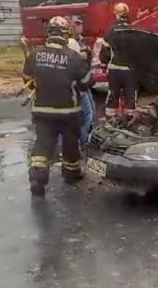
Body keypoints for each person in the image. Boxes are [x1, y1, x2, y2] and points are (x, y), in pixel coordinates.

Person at [24, 16, 94, 198]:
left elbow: (27, 79)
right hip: (68, 112)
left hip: (42, 110)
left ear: (49, 33)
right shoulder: (74, 57)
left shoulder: (35, 54)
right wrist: (85, 65)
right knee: (70, 144)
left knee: (42, 143)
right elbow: (86, 83)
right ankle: (71, 173)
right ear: (65, 34)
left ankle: (37, 177)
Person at [97, 2, 136, 117]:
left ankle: (111, 120)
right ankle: (129, 120)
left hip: (115, 70)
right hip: (130, 71)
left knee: (113, 97)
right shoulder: (133, 30)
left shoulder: (111, 31)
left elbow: (105, 51)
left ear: (117, 15)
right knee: (130, 98)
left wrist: (104, 65)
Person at [66, 17, 95, 143]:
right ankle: (83, 141)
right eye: (77, 24)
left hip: (82, 82)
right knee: (87, 114)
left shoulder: (80, 40)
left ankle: (82, 139)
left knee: (90, 112)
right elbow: (76, 64)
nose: (80, 27)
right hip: (77, 84)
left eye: (80, 24)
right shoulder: (71, 42)